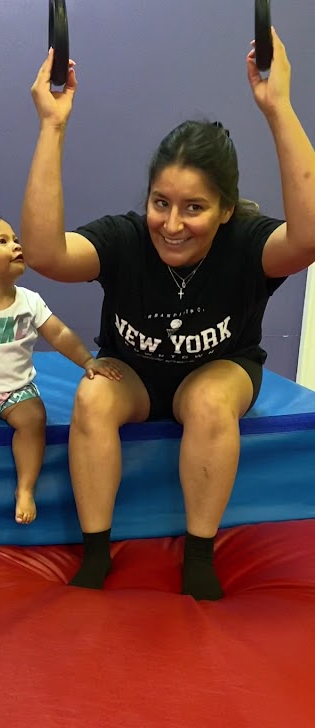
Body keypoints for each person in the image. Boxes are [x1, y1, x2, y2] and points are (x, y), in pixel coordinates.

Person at [21, 31, 315, 598]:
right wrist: (52, 126)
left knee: (206, 402)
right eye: (161, 203)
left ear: (225, 210)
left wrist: (278, 107)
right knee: (92, 396)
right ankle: (96, 553)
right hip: (133, 373)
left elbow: (308, 238)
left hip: (219, 369)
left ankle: (199, 557)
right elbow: (45, 255)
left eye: (194, 208)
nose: (172, 225)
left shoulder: (246, 244)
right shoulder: (127, 239)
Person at [0, 212, 123, 529]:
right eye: (2, 241)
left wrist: (88, 361)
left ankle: (25, 488)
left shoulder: (29, 301)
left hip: (18, 389)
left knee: (34, 420)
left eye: (15, 239)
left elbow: (59, 334)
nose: (16, 245)